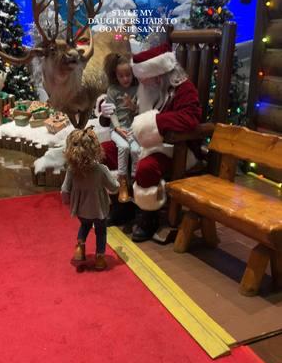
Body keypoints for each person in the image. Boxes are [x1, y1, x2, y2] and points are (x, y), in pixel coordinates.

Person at [99, 43, 202, 242]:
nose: (141, 81)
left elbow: (190, 119)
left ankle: (148, 215)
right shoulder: (148, 88)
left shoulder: (183, 88)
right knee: (103, 152)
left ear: (159, 73)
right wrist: (106, 115)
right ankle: (123, 203)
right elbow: (130, 115)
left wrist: (153, 123)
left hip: (172, 148)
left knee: (146, 167)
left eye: (145, 77)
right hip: (140, 141)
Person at [61, 127, 119, 270]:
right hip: (99, 209)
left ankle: (80, 248)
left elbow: (64, 190)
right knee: (101, 231)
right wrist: (118, 183)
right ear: (95, 149)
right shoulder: (101, 170)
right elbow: (113, 187)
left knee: (85, 225)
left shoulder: (71, 170)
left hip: (81, 209)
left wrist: (68, 202)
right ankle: (100, 258)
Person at [103, 52, 140, 203]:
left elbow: (139, 110)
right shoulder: (112, 90)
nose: (125, 79)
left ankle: (135, 182)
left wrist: (133, 107)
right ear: (115, 76)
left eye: (128, 75)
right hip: (117, 129)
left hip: (132, 128)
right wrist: (117, 128)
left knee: (136, 149)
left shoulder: (137, 88)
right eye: (121, 76)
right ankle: (122, 182)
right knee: (123, 147)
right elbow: (111, 111)